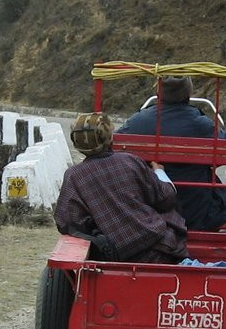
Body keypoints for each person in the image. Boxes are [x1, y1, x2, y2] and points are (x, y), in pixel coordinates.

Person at [115, 75, 226, 231]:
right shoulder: (200, 124)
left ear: (159, 92)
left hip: (148, 205)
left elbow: (115, 148)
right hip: (195, 209)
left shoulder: (137, 121)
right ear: (188, 93)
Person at [54, 112, 188, 264]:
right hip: (158, 247)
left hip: (115, 253)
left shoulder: (73, 175)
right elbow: (165, 198)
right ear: (109, 137)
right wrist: (159, 172)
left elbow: (65, 222)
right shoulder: (129, 160)